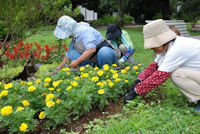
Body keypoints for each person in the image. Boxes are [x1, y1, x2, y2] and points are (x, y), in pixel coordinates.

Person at [124, 19, 200, 111]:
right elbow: (154, 66)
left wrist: (135, 92)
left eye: (153, 45)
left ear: (161, 41)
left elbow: (159, 76)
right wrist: (138, 80)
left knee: (176, 74)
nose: (152, 48)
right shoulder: (169, 46)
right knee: (176, 72)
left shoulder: (176, 49)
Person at [53, 15, 117, 72]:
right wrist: (58, 68)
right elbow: (68, 55)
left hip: (104, 54)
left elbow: (91, 49)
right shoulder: (74, 35)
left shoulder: (85, 31)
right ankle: (89, 71)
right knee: (72, 53)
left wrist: (77, 62)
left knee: (104, 52)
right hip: (93, 59)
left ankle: (106, 72)